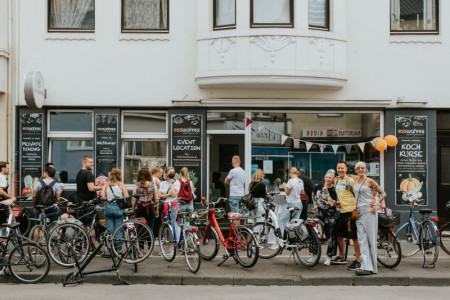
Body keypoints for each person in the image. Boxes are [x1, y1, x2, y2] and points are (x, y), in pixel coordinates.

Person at [353, 161, 386, 276]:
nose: (361, 169)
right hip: (359, 213)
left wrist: (376, 203)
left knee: (371, 239)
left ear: (366, 169)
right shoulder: (356, 180)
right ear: (356, 170)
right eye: (358, 168)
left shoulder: (370, 181)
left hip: (369, 211)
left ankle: (373, 268)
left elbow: (383, 193)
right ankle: (366, 266)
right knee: (362, 239)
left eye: (363, 168)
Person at [333, 160, 360, 270]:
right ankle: (341, 256)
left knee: (354, 237)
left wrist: (356, 207)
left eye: (342, 168)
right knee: (338, 234)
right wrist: (337, 202)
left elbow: (358, 194)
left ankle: (357, 260)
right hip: (341, 211)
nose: (340, 170)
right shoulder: (336, 181)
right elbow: (338, 195)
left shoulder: (350, 181)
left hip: (351, 211)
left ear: (346, 169)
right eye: (338, 168)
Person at [313, 169, 338, 266]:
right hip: (319, 213)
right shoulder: (318, 186)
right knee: (314, 234)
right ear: (324, 177)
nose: (328, 179)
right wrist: (315, 204)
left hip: (330, 214)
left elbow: (332, 203)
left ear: (332, 179)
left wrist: (327, 193)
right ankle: (314, 254)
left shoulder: (334, 189)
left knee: (331, 235)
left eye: (330, 177)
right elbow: (313, 194)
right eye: (326, 177)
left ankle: (329, 256)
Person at [75, 155, 102, 246]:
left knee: (84, 225)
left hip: (80, 203)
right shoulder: (89, 174)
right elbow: (91, 188)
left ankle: (79, 246)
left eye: (92, 162)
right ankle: (94, 246)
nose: (92, 164)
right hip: (88, 203)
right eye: (90, 162)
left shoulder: (79, 173)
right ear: (84, 162)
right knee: (91, 225)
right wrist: (101, 187)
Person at [101, 168, 129, 252]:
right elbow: (126, 196)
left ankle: (111, 250)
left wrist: (109, 197)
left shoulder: (106, 184)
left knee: (111, 231)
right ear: (119, 175)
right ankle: (118, 251)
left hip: (109, 208)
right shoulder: (121, 184)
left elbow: (103, 197)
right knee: (118, 231)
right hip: (119, 209)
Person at [279, 167, 304, 236]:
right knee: (294, 224)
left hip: (292, 204)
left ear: (290, 173)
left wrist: (284, 186)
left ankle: (282, 240)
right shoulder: (300, 181)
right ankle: (293, 239)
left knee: (281, 222)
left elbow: (287, 192)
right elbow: (302, 192)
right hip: (299, 203)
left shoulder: (291, 181)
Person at [159, 166, 180, 234]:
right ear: (166, 173)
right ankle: (166, 240)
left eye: (173, 172)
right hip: (164, 206)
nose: (172, 174)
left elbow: (174, 194)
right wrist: (168, 195)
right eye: (170, 172)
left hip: (173, 206)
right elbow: (159, 195)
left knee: (172, 224)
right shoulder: (162, 183)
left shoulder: (177, 183)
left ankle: (173, 242)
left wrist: (171, 184)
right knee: (164, 224)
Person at [0, 161, 12, 227]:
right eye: (7, 168)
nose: (9, 170)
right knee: (2, 223)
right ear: (3, 168)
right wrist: (10, 196)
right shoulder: (2, 177)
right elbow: (1, 191)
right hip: (1, 203)